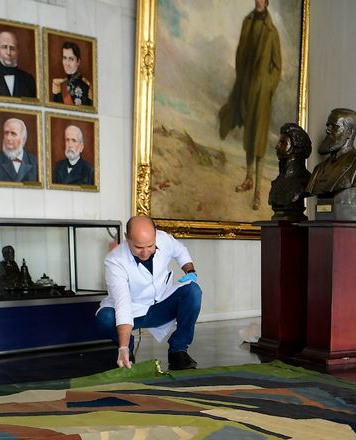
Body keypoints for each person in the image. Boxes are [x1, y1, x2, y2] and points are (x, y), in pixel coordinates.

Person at [96, 215, 202, 371]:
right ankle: (128, 351)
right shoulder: (115, 261)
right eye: (138, 247)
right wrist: (123, 347)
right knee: (105, 318)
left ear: (155, 235)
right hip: (133, 310)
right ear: (127, 238)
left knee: (192, 291)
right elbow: (123, 304)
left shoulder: (163, 238)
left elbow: (180, 251)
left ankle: (178, 351)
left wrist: (190, 271)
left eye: (150, 246)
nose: (145, 253)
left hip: (161, 304)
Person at [218, 0, 281, 211]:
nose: (259, 2)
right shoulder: (248, 22)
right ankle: (248, 178)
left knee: (259, 140)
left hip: (261, 95)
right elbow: (241, 51)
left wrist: (267, 85)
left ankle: (257, 193)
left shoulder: (271, 32)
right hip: (246, 89)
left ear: (267, 2)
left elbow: (277, 66)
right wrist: (242, 78)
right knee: (248, 136)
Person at [305, 108, 356, 197]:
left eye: (334, 126)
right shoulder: (318, 170)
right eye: (328, 126)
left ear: (349, 132)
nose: (327, 130)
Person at [268, 121, 311, 221]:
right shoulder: (277, 181)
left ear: (296, 148)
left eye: (283, 143)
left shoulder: (307, 181)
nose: (277, 146)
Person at [0, 30, 36, 98]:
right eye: (4, 47)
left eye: (12, 48)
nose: (8, 53)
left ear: (17, 51)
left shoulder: (29, 80)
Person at [0, 117, 37, 182]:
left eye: (13, 134)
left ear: (23, 139)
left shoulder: (35, 162)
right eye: (6, 133)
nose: (8, 138)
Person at [51, 42, 92, 107]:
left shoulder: (85, 86)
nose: (67, 63)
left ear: (78, 61)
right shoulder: (59, 84)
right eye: (64, 58)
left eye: (71, 59)